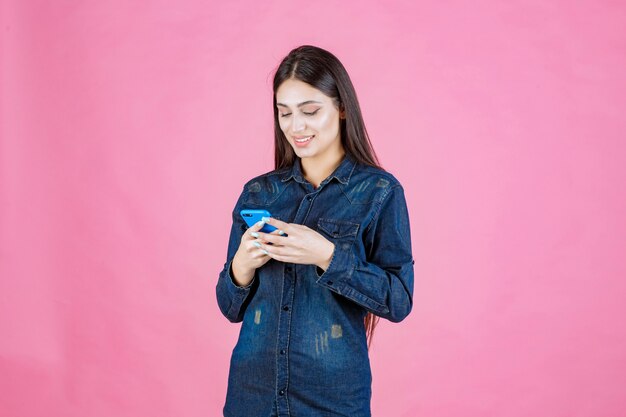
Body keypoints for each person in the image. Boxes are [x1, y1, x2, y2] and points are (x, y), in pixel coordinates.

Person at [216, 45, 415, 417]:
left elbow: (399, 300)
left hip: (332, 401)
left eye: (310, 111)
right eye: (284, 113)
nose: (296, 126)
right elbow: (229, 308)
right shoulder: (260, 192)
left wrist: (327, 256)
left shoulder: (379, 192)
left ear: (341, 108)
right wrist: (241, 266)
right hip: (251, 396)